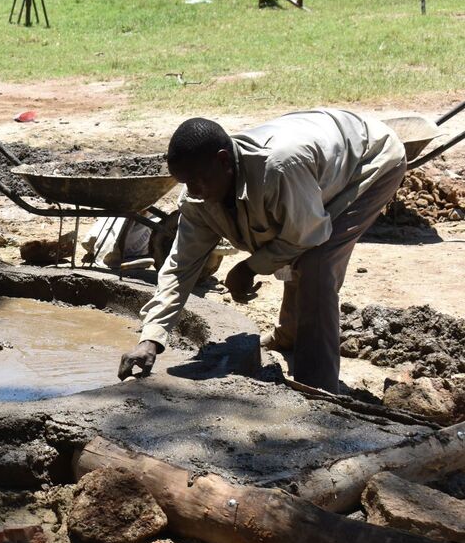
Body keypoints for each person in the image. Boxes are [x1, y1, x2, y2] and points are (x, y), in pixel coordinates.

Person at [118, 109, 406, 392]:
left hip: (369, 161)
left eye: (196, 181)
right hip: (316, 162)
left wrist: (249, 267)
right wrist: (151, 338)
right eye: (185, 183)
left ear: (223, 161)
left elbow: (308, 235)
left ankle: (318, 387)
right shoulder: (199, 196)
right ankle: (289, 336)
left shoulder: (278, 170)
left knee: (317, 263)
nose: (192, 190)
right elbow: (181, 267)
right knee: (294, 240)